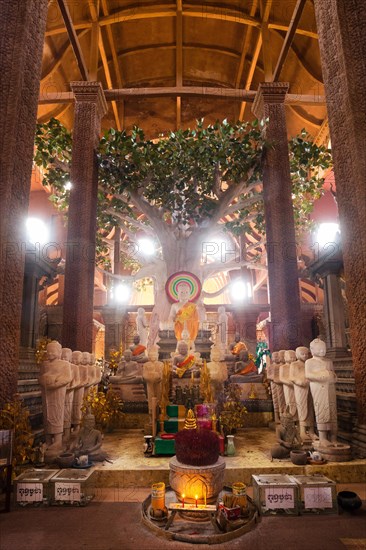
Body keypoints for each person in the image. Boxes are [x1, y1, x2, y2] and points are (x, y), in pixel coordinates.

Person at [38, 340, 72, 450]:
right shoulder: (44, 364)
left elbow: (67, 378)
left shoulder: (64, 364)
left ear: (59, 352)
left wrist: (56, 383)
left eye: (53, 351)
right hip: (46, 392)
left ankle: (58, 440)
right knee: (47, 414)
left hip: (58, 392)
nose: (50, 353)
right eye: (48, 351)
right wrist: (44, 380)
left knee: (57, 414)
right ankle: (48, 440)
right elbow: (40, 377)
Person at [305, 338, 338, 446]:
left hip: (330, 388)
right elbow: (308, 375)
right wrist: (322, 375)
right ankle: (323, 437)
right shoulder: (309, 362)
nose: (322, 351)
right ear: (312, 350)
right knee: (321, 410)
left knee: (332, 410)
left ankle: (333, 438)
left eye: (324, 348)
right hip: (318, 388)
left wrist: (332, 376)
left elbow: (334, 374)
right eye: (319, 349)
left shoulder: (329, 361)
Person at [289, 346, 316, 442]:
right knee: (301, 407)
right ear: (297, 355)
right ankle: (303, 431)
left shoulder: (309, 363)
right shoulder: (294, 365)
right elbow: (291, 377)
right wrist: (298, 381)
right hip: (300, 388)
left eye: (306, 354)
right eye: (302, 354)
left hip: (310, 387)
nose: (305, 356)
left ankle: (312, 431)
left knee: (310, 408)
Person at [168, 282, 199, 347]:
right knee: (180, 342)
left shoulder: (193, 306)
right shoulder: (175, 305)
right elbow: (171, 315)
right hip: (179, 325)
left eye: (186, 292)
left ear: (190, 294)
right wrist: (170, 320)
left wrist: (190, 321)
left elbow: (197, 318)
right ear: (177, 294)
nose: (184, 294)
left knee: (191, 343)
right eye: (181, 292)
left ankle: (191, 351)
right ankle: (178, 350)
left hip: (190, 326)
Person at [143, 347, 164, 414]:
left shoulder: (161, 364)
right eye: (151, 355)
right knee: (150, 396)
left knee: (159, 395)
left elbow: (161, 374)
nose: (153, 356)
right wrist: (151, 376)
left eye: (154, 355)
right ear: (149, 356)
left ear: (157, 355)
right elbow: (144, 375)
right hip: (149, 383)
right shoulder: (146, 365)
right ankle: (151, 410)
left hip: (158, 383)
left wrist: (156, 376)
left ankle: (159, 409)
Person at [279, 350, 298, 419]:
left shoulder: (296, 366)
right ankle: (291, 419)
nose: (293, 359)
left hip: (296, 386)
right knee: (289, 402)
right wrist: (290, 383)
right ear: (285, 357)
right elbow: (281, 378)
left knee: (297, 403)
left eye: (294, 357)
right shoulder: (283, 367)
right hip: (288, 386)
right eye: (291, 357)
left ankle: (297, 420)